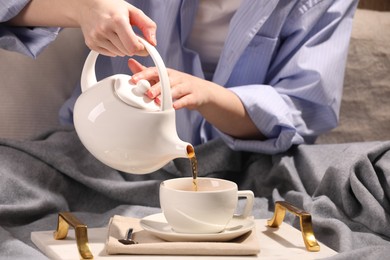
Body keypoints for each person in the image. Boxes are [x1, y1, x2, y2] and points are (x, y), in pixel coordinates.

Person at [1, 0, 359, 155]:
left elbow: (303, 105)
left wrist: (209, 96)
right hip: (99, 154)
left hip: (246, 167)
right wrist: (82, 9)